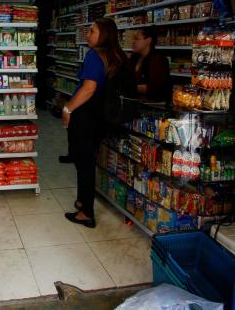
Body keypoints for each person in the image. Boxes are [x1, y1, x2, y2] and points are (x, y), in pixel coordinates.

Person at [62, 18, 128, 228]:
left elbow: (88, 88)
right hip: (101, 117)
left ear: (104, 34)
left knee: (84, 164)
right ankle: (83, 201)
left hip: (85, 116)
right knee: (88, 160)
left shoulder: (94, 55)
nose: (88, 35)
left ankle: (86, 213)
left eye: (92, 31)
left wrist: (68, 108)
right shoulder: (116, 56)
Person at [129, 27, 172, 102]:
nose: (133, 42)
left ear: (148, 40)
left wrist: (130, 87)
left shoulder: (158, 60)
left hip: (153, 104)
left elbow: (154, 88)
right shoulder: (134, 58)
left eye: (136, 39)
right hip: (135, 102)